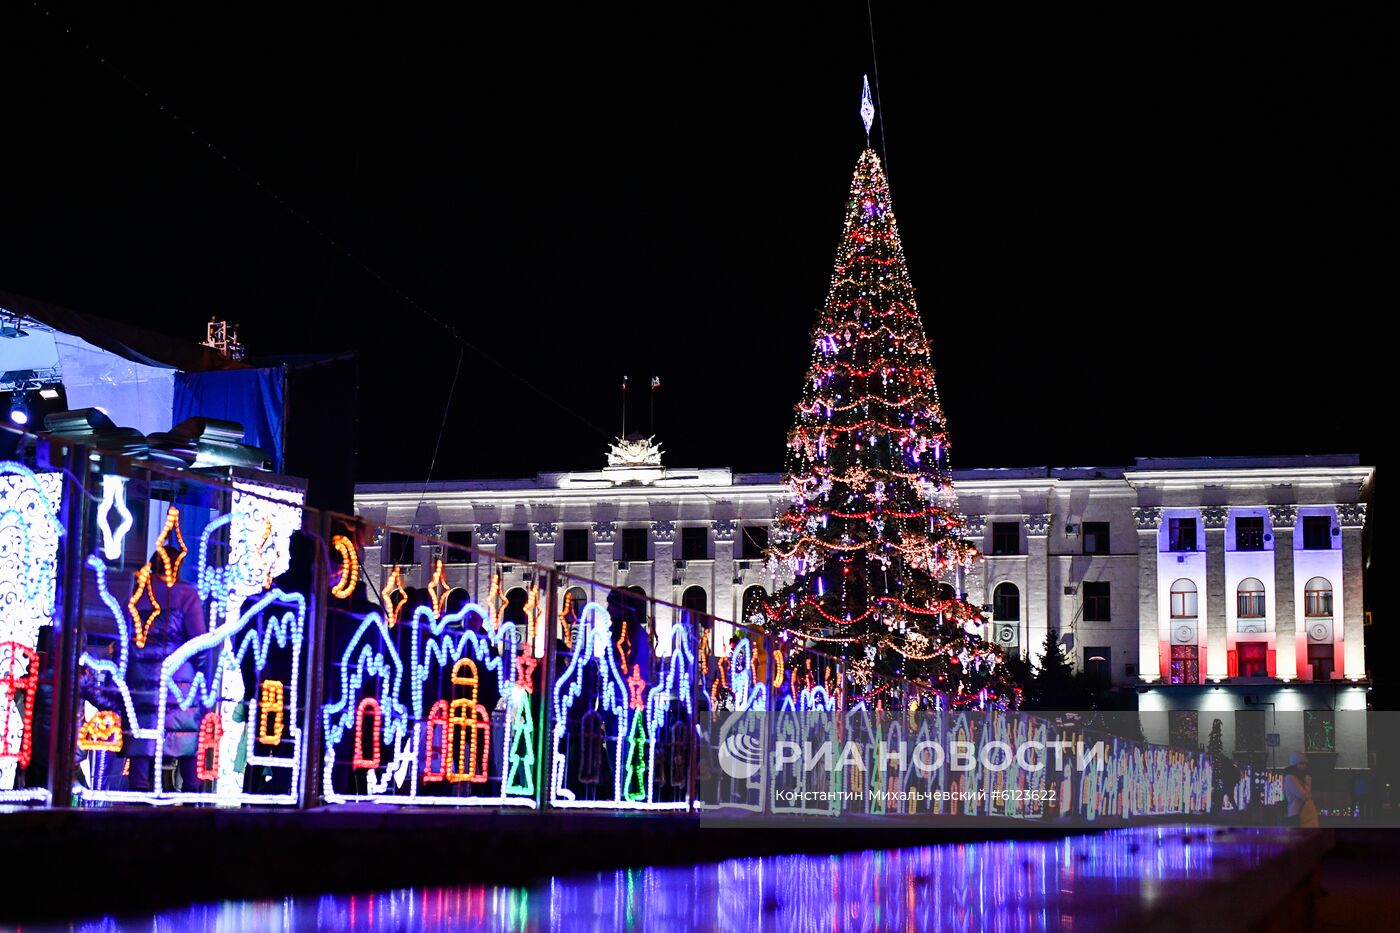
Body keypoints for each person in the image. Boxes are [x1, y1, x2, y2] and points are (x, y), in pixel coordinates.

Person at [125, 548, 207, 793]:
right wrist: (202, 670)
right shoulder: (186, 594)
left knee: (142, 742)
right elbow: (199, 643)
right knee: (186, 739)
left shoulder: (138, 592)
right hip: (178, 682)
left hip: (141, 679)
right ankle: (192, 801)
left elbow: (127, 634)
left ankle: (136, 800)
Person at [1283, 751, 1319, 828]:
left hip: (1305, 817)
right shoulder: (1290, 778)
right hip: (1298, 816)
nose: (1304, 766)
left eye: (1306, 763)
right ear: (1294, 765)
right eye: (1301, 763)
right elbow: (1305, 795)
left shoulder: (1300, 777)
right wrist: (1308, 781)